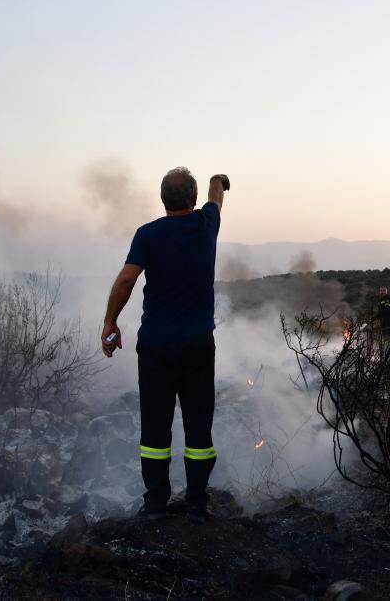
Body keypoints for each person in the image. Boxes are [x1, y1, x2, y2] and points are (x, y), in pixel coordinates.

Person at [101, 167, 230, 520]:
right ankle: (196, 503)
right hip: (199, 346)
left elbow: (127, 278)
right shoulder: (206, 225)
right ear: (192, 199)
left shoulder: (148, 234)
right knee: (198, 425)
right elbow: (216, 196)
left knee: (156, 426)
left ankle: (156, 503)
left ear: (162, 199)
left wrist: (110, 322)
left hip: (157, 347)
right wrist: (218, 181)